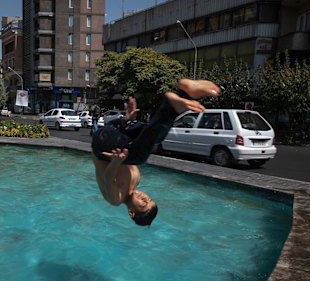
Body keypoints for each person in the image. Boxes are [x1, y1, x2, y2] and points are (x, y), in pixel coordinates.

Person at [91, 79, 220, 226]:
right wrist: (128, 121)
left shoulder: (116, 199)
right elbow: (138, 144)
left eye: (144, 204)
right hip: (119, 130)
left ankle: (173, 104)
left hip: (101, 143)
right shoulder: (136, 178)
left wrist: (115, 162)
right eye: (150, 200)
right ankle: (184, 94)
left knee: (139, 157)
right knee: (155, 138)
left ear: (131, 212)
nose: (145, 198)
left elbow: (108, 178)